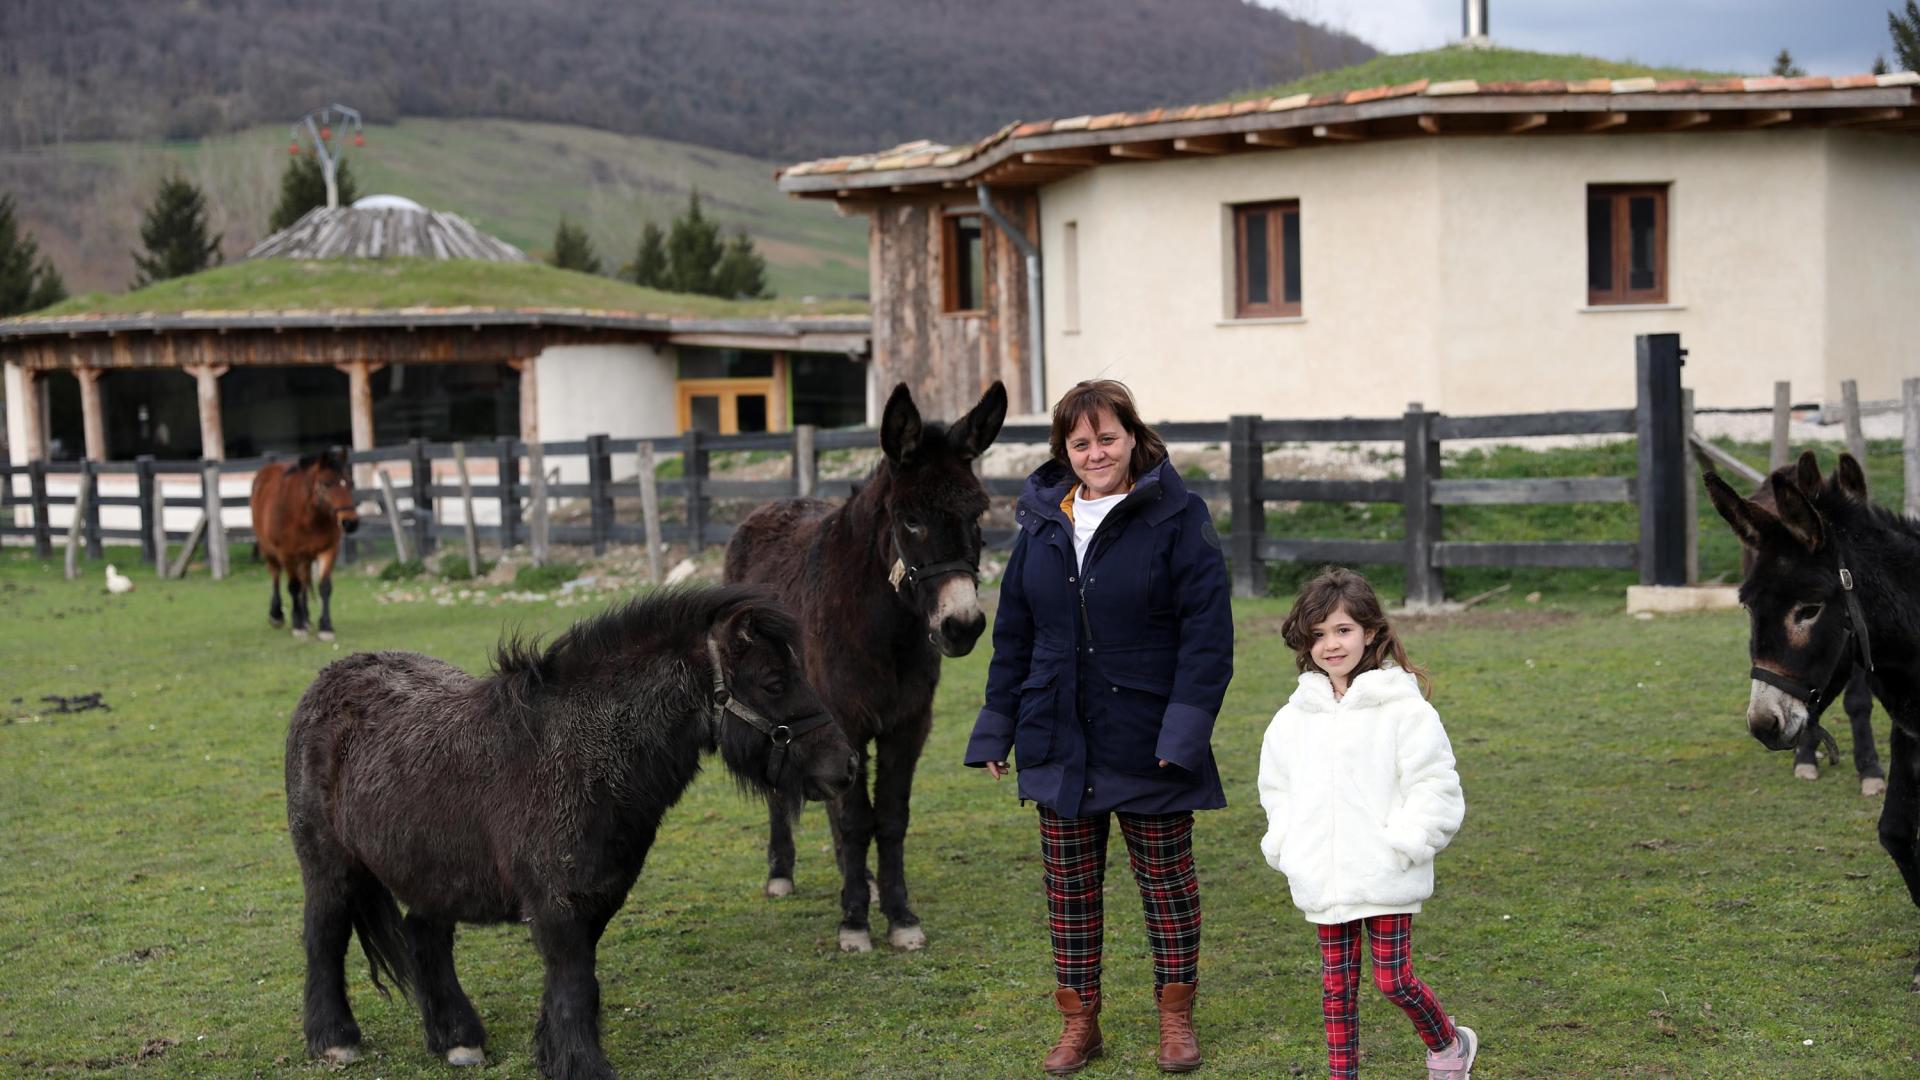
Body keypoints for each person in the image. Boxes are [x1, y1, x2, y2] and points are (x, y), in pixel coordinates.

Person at [966, 379, 1232, 1075]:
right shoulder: (1041, 524)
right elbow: (1015, 634)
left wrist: (1183, 735)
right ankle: (1079, 1022)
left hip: (1149, 739)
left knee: (1167, 887)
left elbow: (1208, 640)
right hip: (1058, 736)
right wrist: (997, 727)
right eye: (1080, 442)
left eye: (1107, 438)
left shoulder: (1178, 516)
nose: (1095, 453)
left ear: (1135, 438)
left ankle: (1175, 1019)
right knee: (1070, 893)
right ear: (1064, 450)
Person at [1256, 567, 1476, 1080]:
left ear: (1371, 631)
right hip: (1322, 873)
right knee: (1336, 989)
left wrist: (1406, 841)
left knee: (1394, 980)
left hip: (1385, 869)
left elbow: (1434, 783)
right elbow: (1277, 789)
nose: (1331, 645)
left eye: (1342, 630)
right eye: (1318, 635)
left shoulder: (1405, 711)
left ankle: (1449, 1047)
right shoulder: (1293, 719)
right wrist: (1288, 845)